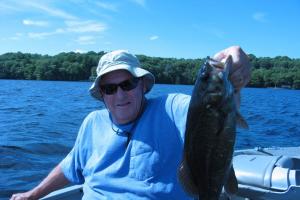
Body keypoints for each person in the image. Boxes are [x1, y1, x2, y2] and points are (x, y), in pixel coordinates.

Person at [10, 46, 251, 200]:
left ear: (143, 85)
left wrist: (233, 61)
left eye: (127, 84)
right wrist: (33, 194)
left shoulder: (171, 108)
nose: (120, 95)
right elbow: (70, 166)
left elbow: (212, 110)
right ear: (101, 94)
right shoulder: (92, 123)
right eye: (110, 88)